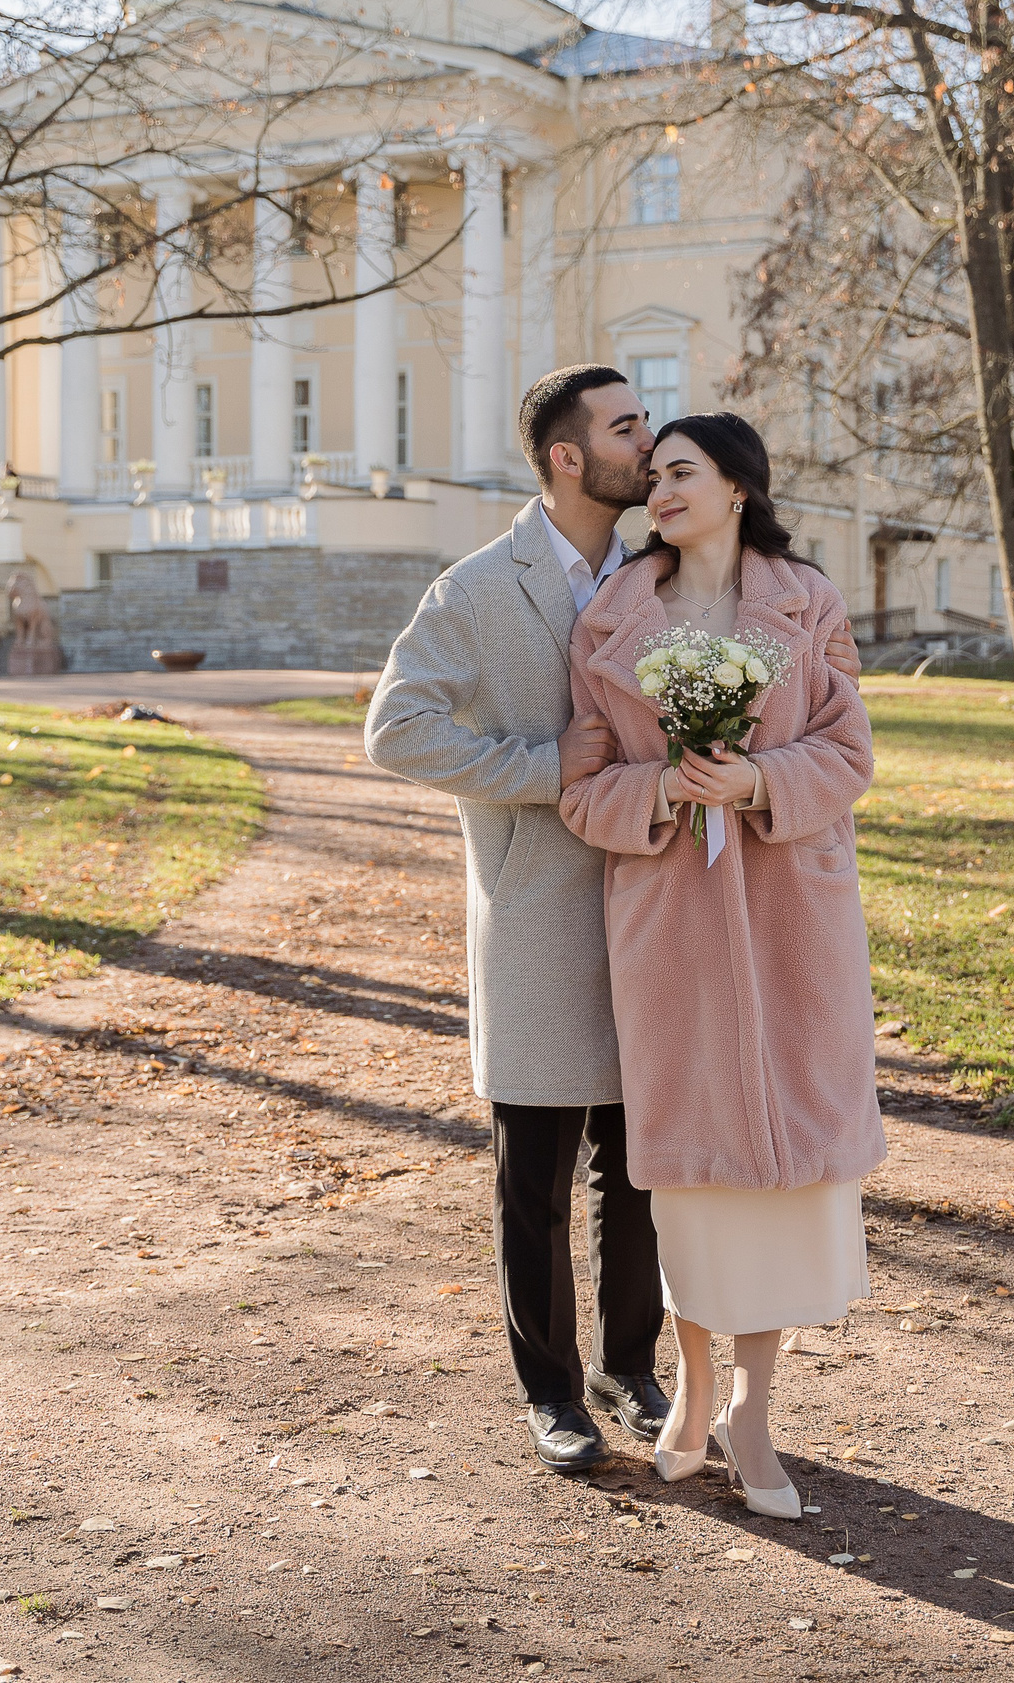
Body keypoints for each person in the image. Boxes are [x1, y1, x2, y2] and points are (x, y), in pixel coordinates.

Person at [365, 367, 860, 1474]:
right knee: (533, 1169)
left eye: (656, 430)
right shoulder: (480, 587)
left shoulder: (663, 576)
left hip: (670, 912)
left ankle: (628, 1366)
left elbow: (827, 727)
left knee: (648, 1165)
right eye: (627, 427)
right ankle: (550, 1391)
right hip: (543, 906)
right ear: (566, 457)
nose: (647, 442)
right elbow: (393, 732)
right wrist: (540, 769)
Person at [557, 412, 884, 1521]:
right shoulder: (610, 616)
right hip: (672, 926)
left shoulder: (808, 601)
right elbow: (581, 783)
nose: (658, 490)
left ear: (739, 485)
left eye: (680, 472)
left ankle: (751, 1408)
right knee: (691, 1181)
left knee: (781, 1180)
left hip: (790, 915)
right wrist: (657, 792)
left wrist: (755, 783)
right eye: (651, 476)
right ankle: (691, 1387)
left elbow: (848, 751)